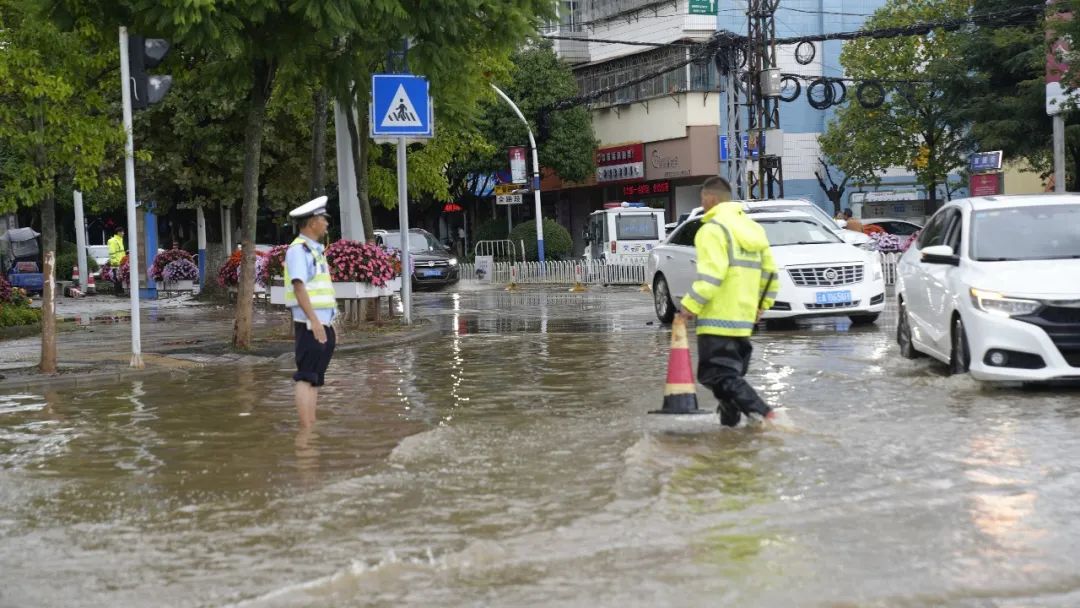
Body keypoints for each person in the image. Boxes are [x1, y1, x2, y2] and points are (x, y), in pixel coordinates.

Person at [677, 176, 780, 427]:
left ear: (710, 199)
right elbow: (770, 274)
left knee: (717, 376)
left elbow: (712, 275)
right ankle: (730, 432)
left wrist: (690, 305)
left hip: (717, 320)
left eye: (702, 199)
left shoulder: (712, 230)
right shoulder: (754, 230)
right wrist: (762, 305)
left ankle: (766, 414)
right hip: (744, 321)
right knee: (729, 381)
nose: (702, 205)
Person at [284, 196, 337, 428]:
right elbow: (299, 287)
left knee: (316, 378)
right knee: (306, 376)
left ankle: (311, 427)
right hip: (309, 323)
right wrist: (314, 321)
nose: (327, 223)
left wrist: (329, 324)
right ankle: (305, 433)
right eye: (324, 219)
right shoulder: (298, 250)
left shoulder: (315, 250)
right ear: (313, 222)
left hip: (323, 322)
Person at [107, 227, 126, 297]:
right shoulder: (113, 241)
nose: (123, 233)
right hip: (116, 263)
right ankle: (117, 292)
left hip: (121, 262)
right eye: (122, 232)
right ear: (118, 232)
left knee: (120, 278)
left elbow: (121, 252)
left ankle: (120, 292)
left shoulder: (120, 240)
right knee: (117, 278)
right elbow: (112, 252)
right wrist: (115, 262)